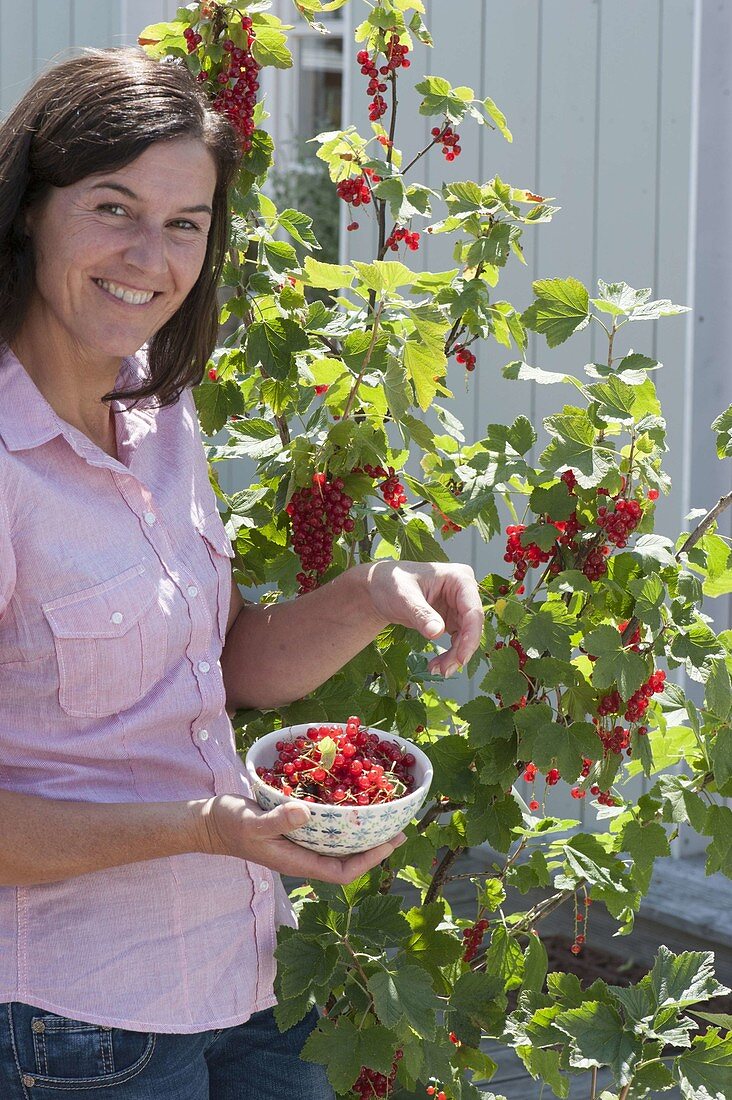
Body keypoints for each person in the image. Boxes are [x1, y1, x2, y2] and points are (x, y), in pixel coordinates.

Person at [0, 48, 484, 1099]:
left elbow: (226, 663)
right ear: (31, 208)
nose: (150, 254)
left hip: (249, 972)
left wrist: (369, 591)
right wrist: (205, 825)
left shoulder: (158, 406)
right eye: (113, 207)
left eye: (185, 221)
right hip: (81, 1024)